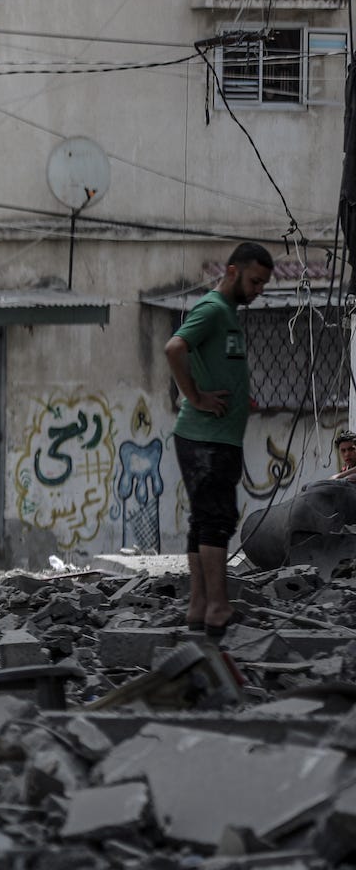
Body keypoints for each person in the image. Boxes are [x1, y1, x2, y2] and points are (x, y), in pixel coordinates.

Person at [165, 242, 275, 642]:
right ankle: (217, 605)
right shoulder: (212, 310)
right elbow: (175, 347)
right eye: (255, 281)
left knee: (203, 522)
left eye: (263, 283)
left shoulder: (227, 315)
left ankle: (199, 606)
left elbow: (211, 363)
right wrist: (194, 396)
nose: (259, 289)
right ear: (232, 272)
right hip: (207, 438)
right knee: (217, 521)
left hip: (212, 436)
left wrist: (234, 393)